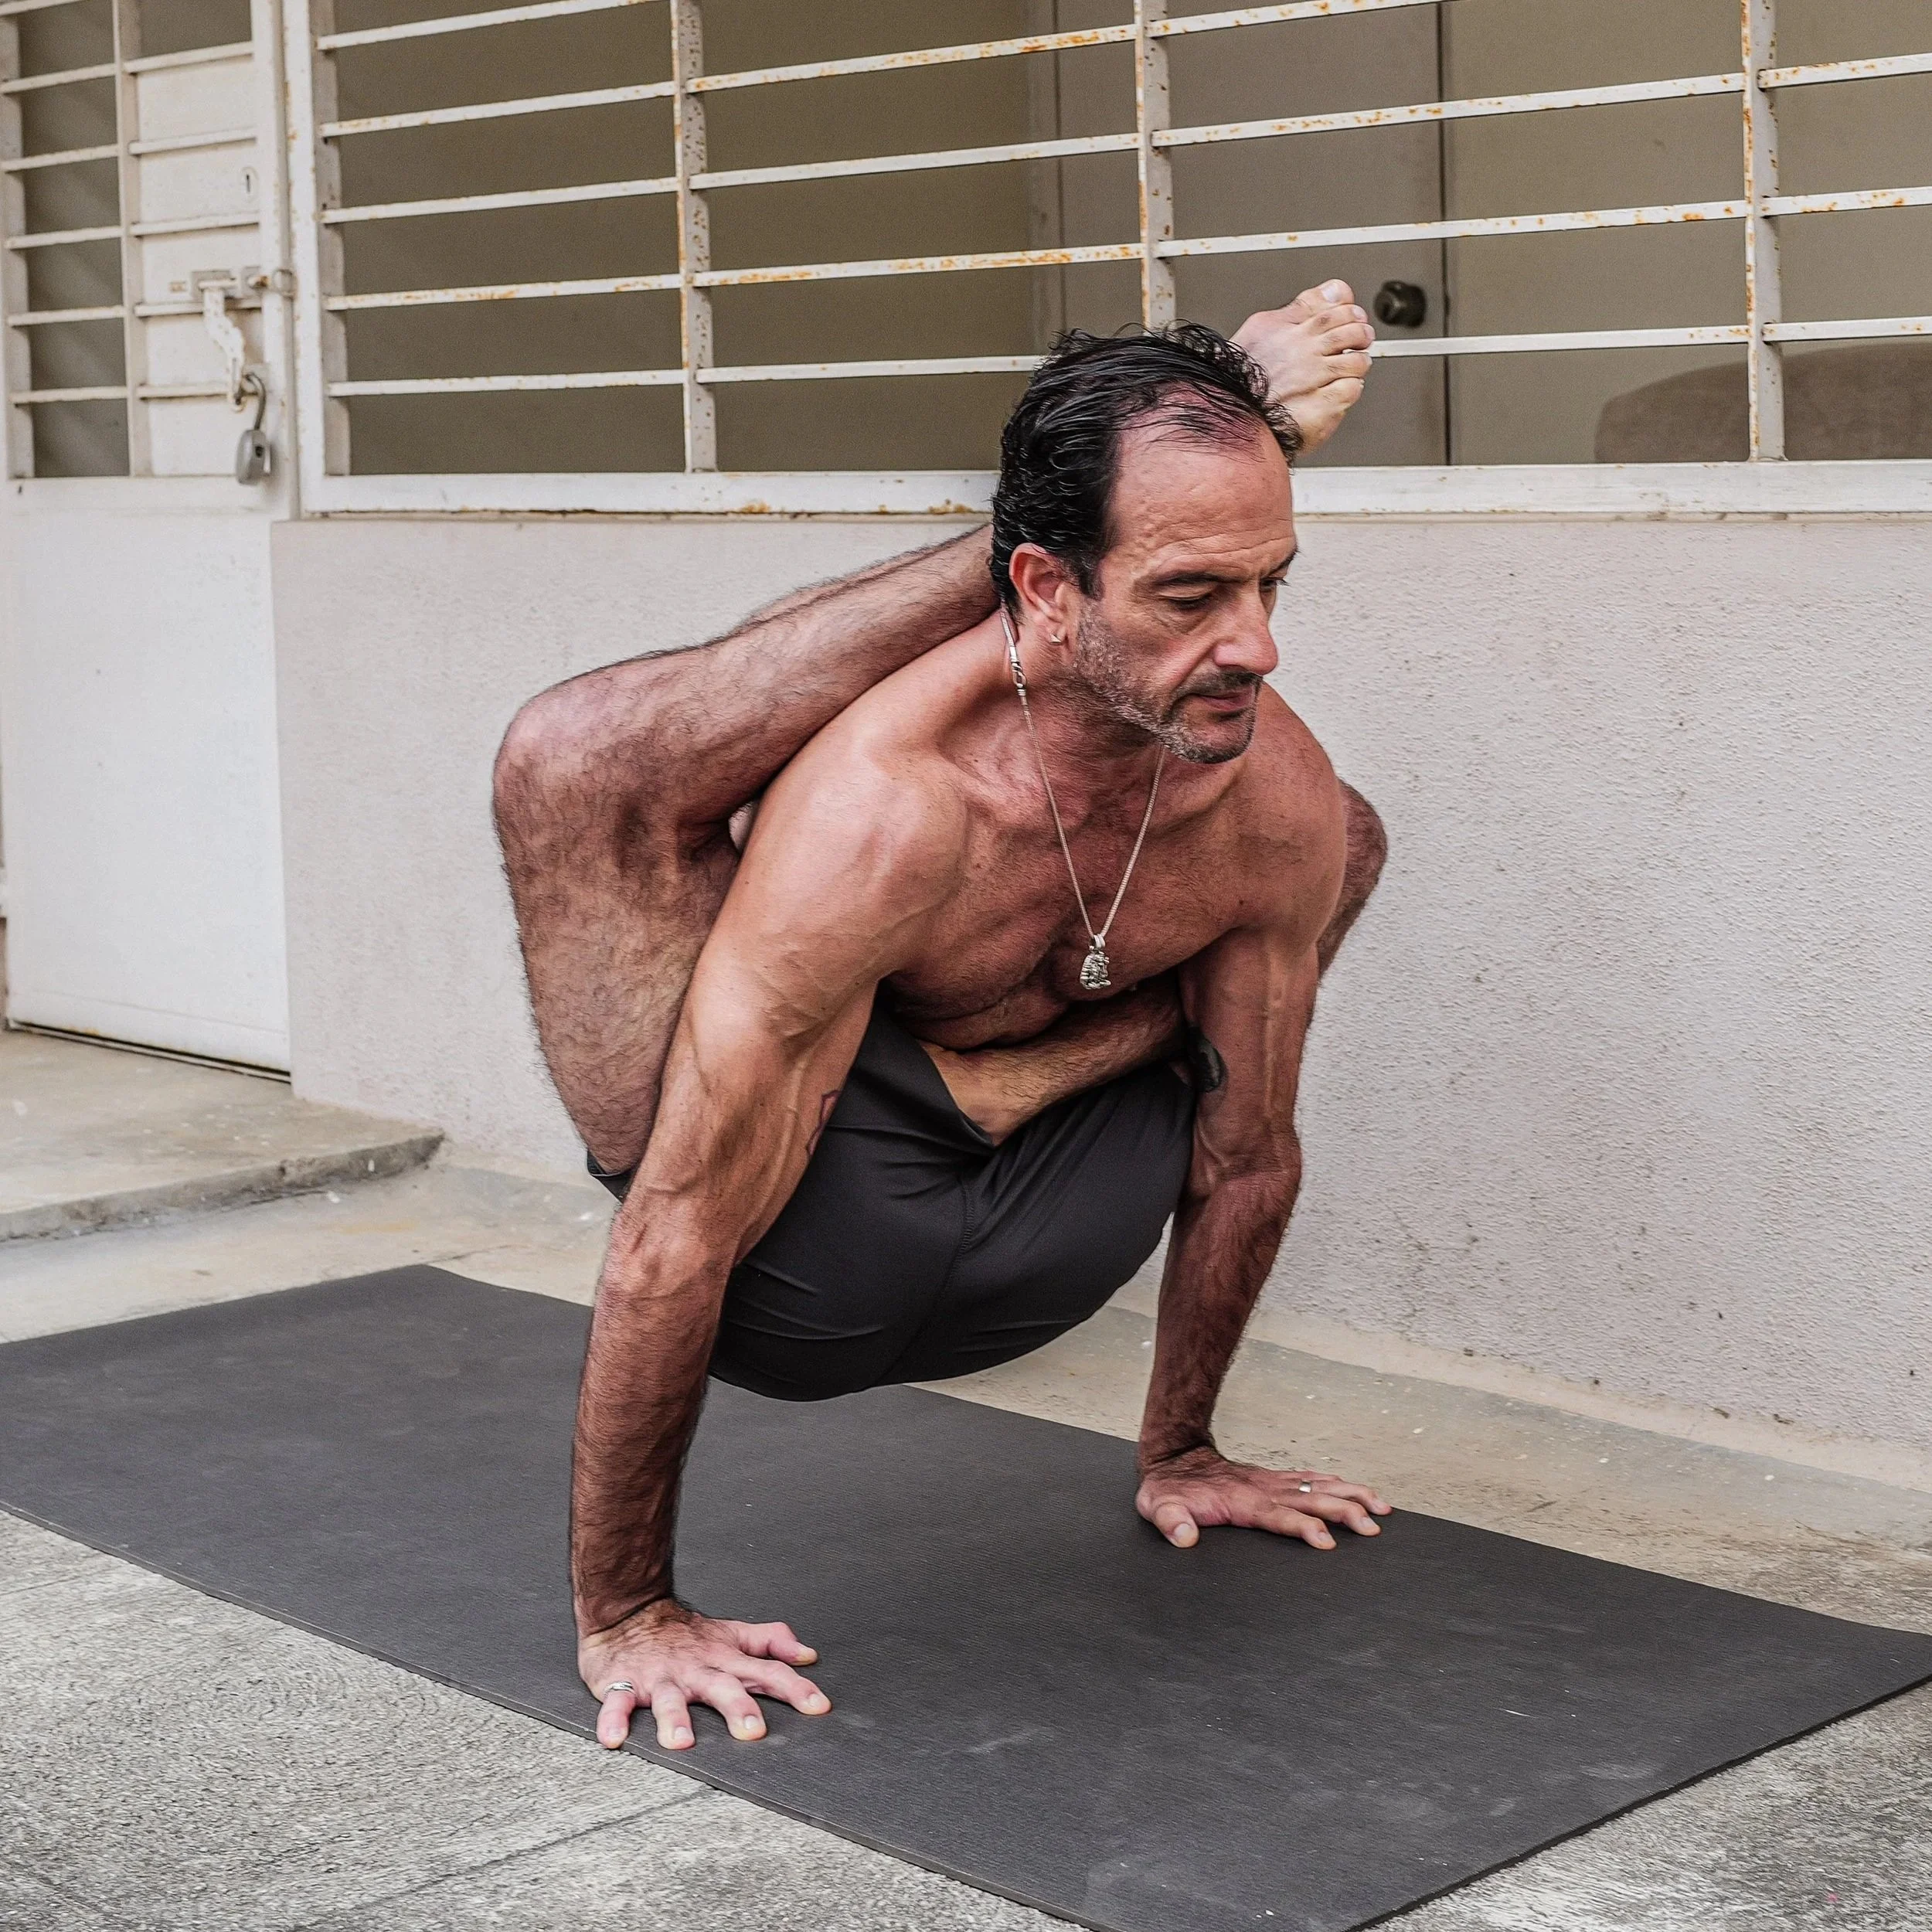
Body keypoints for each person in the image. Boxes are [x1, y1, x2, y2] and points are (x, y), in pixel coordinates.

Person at [494, 283, 1391, 1754]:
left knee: (1340, 835)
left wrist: (1187, 1451)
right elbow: (680, 1232)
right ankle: (983, 1074)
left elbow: (1250, 1152)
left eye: (1270, 588)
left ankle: (1007, 1082)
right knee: (577, 760)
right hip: (809, 1263)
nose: (1257, 649)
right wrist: (628, 1611)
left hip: (1051, 1222)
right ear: (1040, 587)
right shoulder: (890, 810)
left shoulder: (1270, 799)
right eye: (1189, 597)